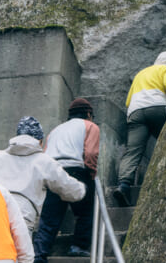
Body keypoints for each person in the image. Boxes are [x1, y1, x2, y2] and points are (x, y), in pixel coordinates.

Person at [0, 116, 86, 232]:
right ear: (40, 141)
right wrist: (83, 188)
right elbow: (71, 190)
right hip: (22, 220)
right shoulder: (44, 161)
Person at [32, 98, 100, 262]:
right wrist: (91, 173)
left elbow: (44, 152)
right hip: (76, 169)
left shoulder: (55, 131)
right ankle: (78, 247)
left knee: (49, 218)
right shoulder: (90, 126)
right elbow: (91, 153)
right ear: (88, 114)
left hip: (52, 171)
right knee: (86, 211)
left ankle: (39, 254)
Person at [113, 51, 166, 207]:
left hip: (135, 111)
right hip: (157, 107)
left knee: (133, 150)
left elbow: (128, 101)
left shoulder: (141, 74)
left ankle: (123, 185)